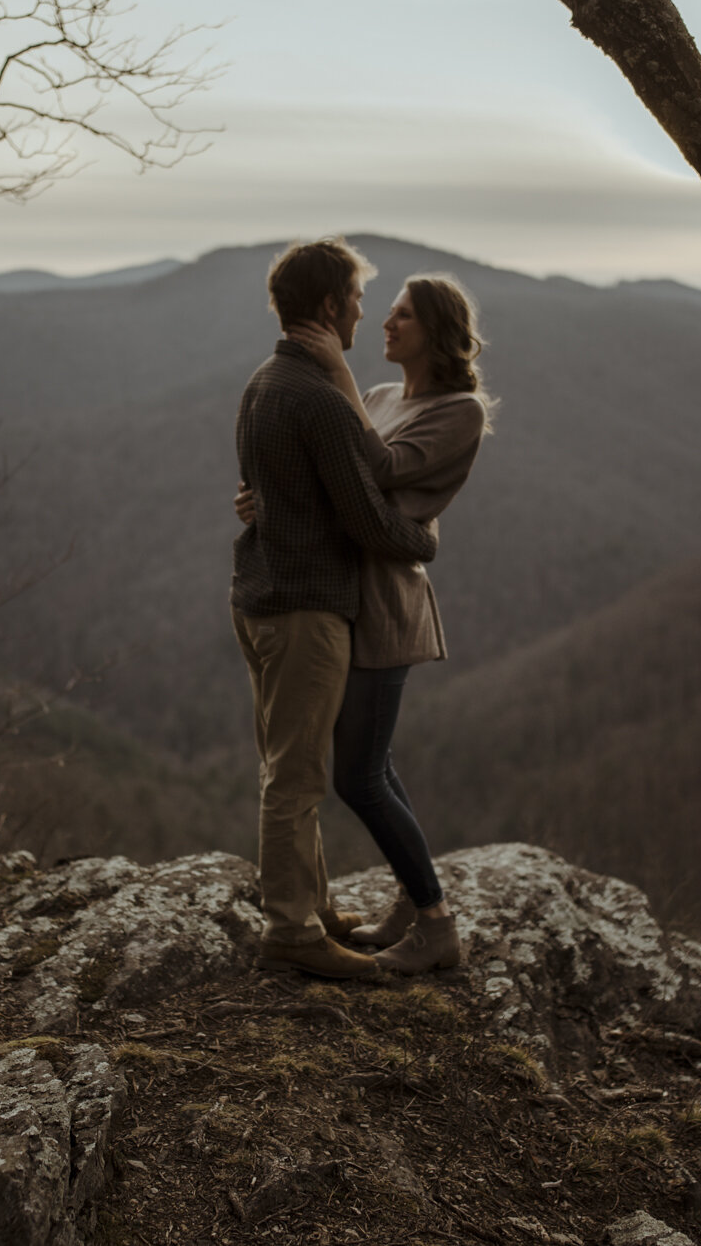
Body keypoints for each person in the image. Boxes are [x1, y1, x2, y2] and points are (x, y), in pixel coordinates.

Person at [238, 271, 492, 975]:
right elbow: (333, 479)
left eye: (403, 315)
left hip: (385, 604)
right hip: (341, 591)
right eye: (384, 311)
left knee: (358, 774)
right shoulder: (380, 396)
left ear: (435, 331)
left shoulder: (459, 410)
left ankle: (436, 921)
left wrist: (336, 371)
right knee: (368, 764)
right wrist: (270, 501)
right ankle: (417, 901)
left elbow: (376, 468)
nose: (386, 323)